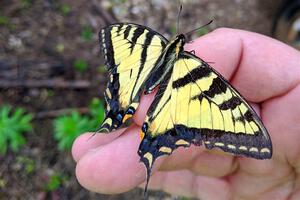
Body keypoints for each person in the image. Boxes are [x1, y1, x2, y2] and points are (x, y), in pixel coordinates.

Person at [72, 28, 300, 200]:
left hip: (146, 85)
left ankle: (124, 115)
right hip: (166, 97)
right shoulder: (194, 67)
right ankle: (132, 119)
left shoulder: (150, 43)